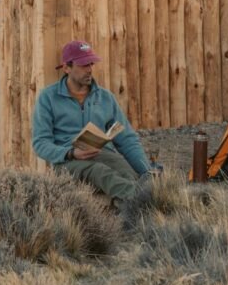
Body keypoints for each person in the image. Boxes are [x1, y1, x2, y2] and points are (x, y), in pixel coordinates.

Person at [32, 39, 154, 212]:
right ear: (67, 68)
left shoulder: (105, 98)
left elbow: (127, 139)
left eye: (91, 63)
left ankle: (138, 205)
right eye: (83, 65)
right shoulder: (48, 98)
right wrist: (70, 152)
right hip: (67, 162)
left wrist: (147, 171)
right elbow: (40, 143)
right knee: (101, 172)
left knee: (129, 174)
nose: (89, 69)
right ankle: (144, 204)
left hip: (103, 154)